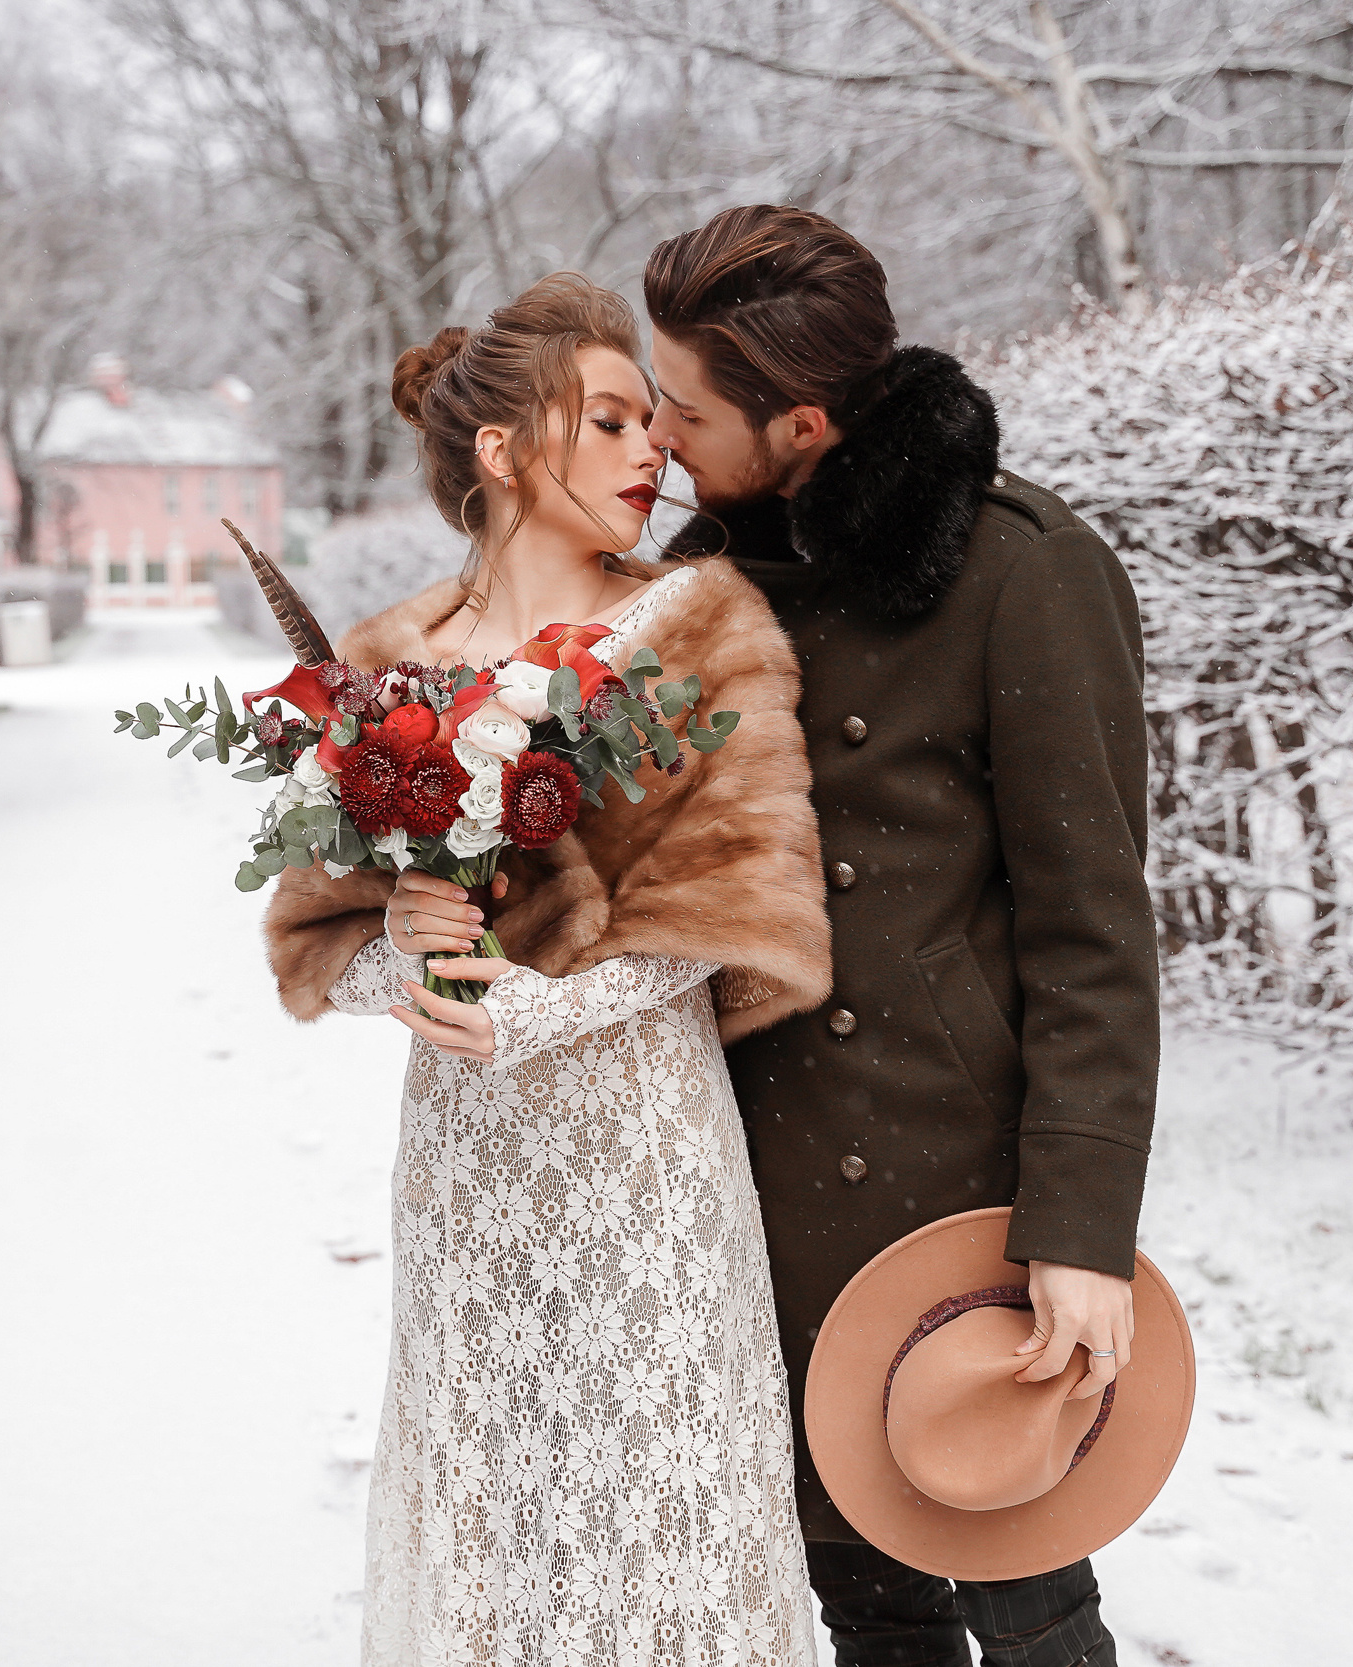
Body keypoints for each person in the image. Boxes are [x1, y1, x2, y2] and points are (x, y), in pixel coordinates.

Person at [263, 273, 834, 1665]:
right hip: (470, 1179)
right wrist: (401, 963)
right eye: (613, 420)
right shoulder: (383, 666)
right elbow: (315, 935)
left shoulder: (709, 627)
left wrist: (535, 1009)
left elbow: (727, 915)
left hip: (645, 1161)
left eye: (655, 421)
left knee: (661, 1542)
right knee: (498, 1543)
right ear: (503, 449)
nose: (654, 453)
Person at [641, 206, 1161, 1667]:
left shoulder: (1023, 574)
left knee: (1026, 1591)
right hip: (745, 1178)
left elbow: (1095, 934)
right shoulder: (690, 592)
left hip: (950, 1200)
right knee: (859, 1600)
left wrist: (1079, 1233)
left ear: (798, 421)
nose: (662, 433)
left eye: (686, 407)